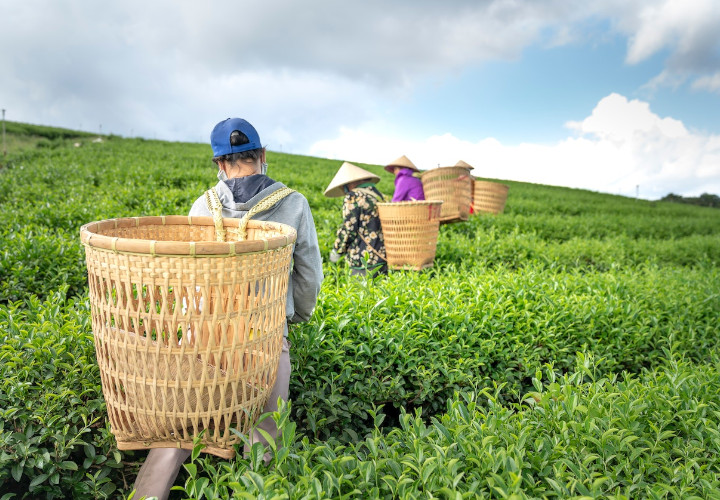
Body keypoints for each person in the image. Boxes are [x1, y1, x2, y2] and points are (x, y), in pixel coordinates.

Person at [132, 118, 324, 500]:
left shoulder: (202, 205)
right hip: (263, 337)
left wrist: (189, 327)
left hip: (203, 333)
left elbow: (188, 277)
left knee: (179, 426)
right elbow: (308, 275)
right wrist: (296, 316)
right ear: (263, 156)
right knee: (266, 434)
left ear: (219, 163)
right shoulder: (294, 205)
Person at [325, 162, 388, 276]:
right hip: (383, 256)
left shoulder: (354, 196)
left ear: (351, 182)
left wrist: (337, 249)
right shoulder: (378, 195)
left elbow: (349, 228)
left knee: (359, 292)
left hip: (362, 258)